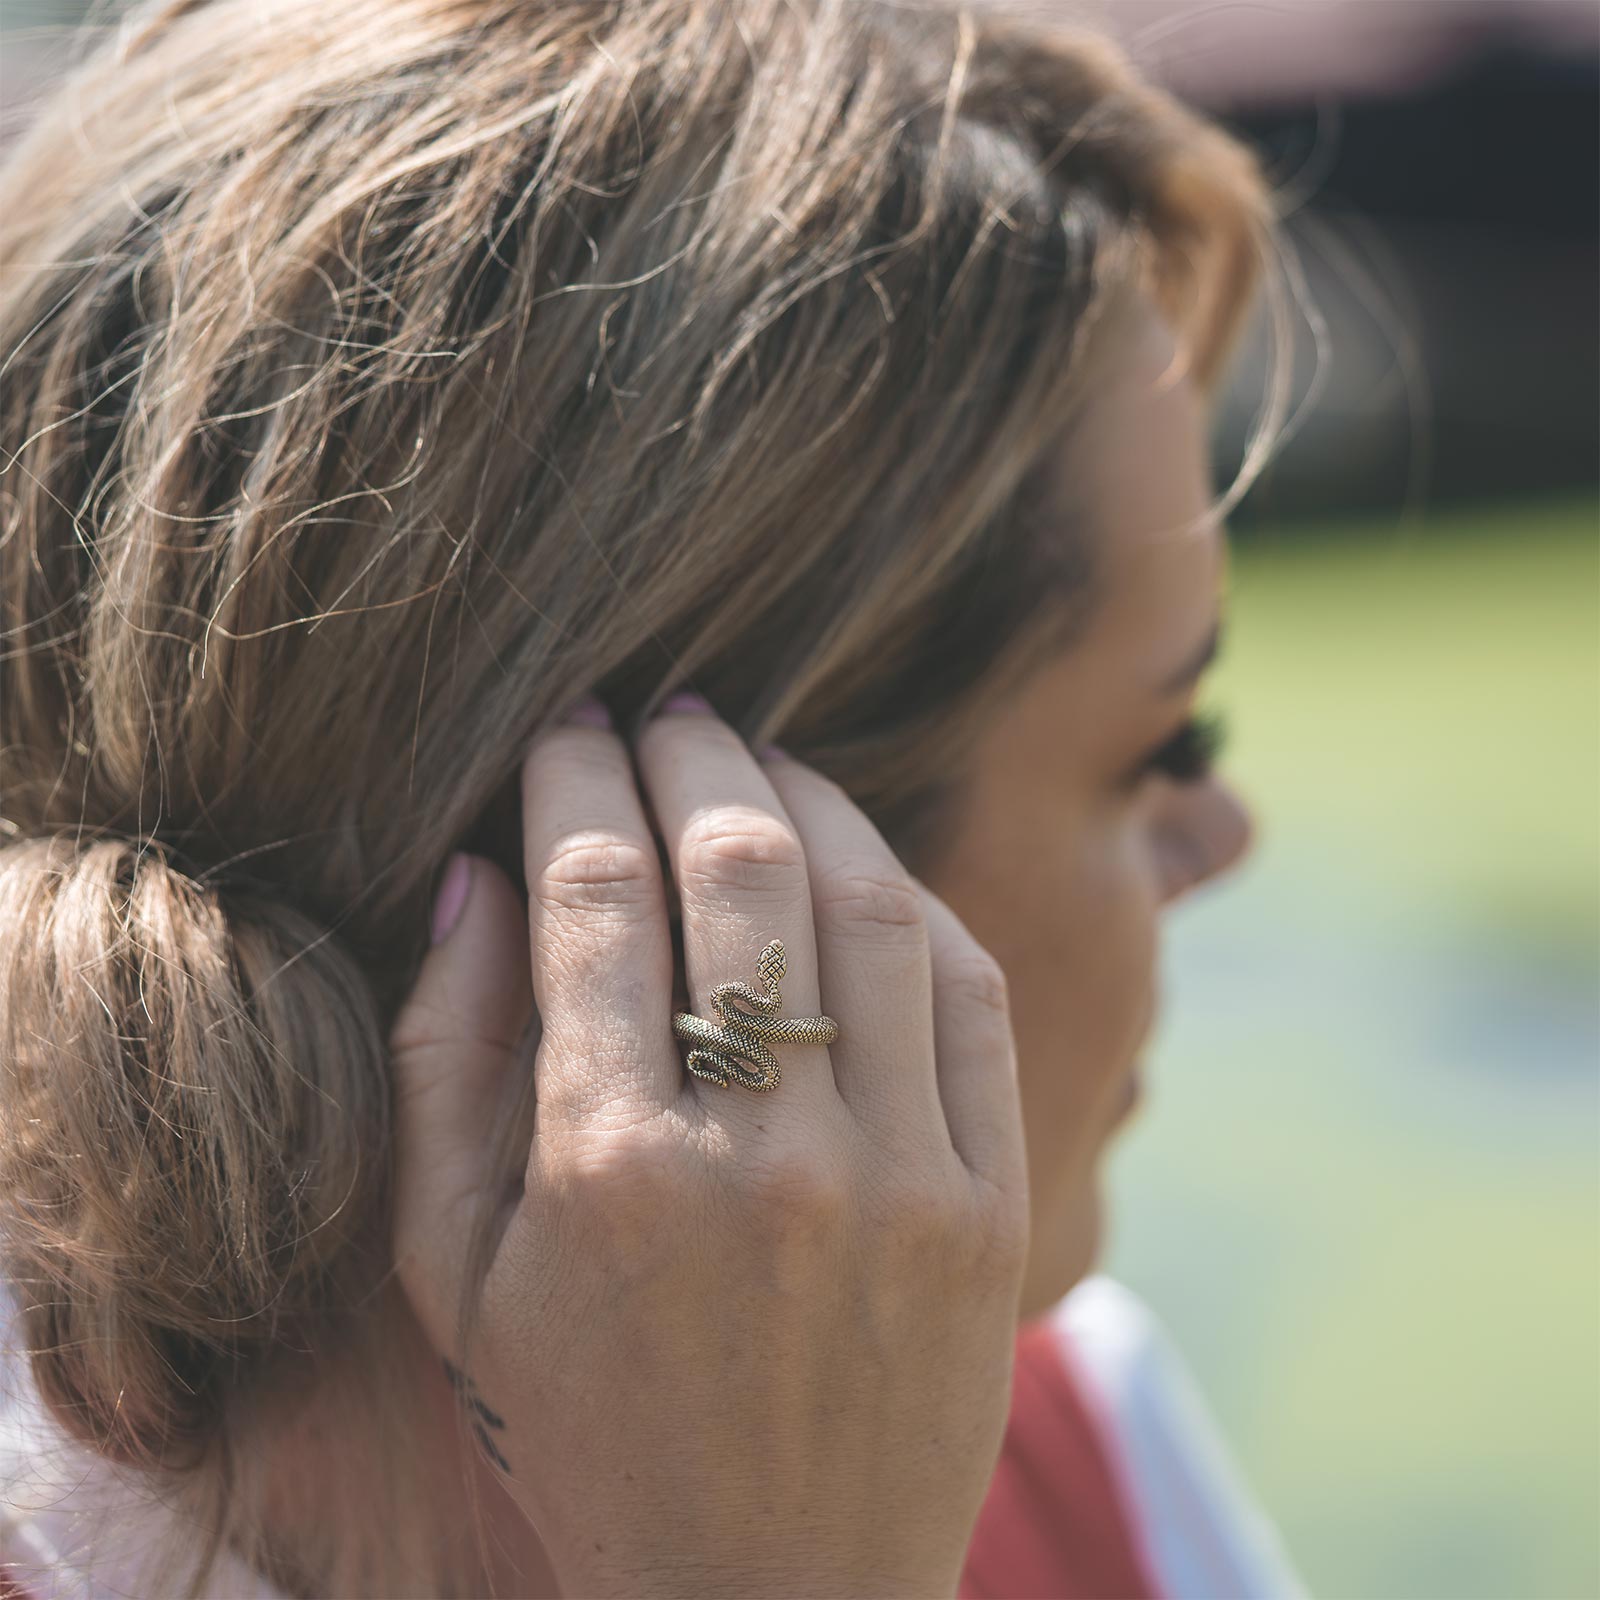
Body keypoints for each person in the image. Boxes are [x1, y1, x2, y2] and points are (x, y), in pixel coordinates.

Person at [0, 0, 1308, 1594]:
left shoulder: (1089, 1435)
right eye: (1160, 746)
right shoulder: (1045, 1467)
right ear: (713, 894)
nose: (1222, 837)